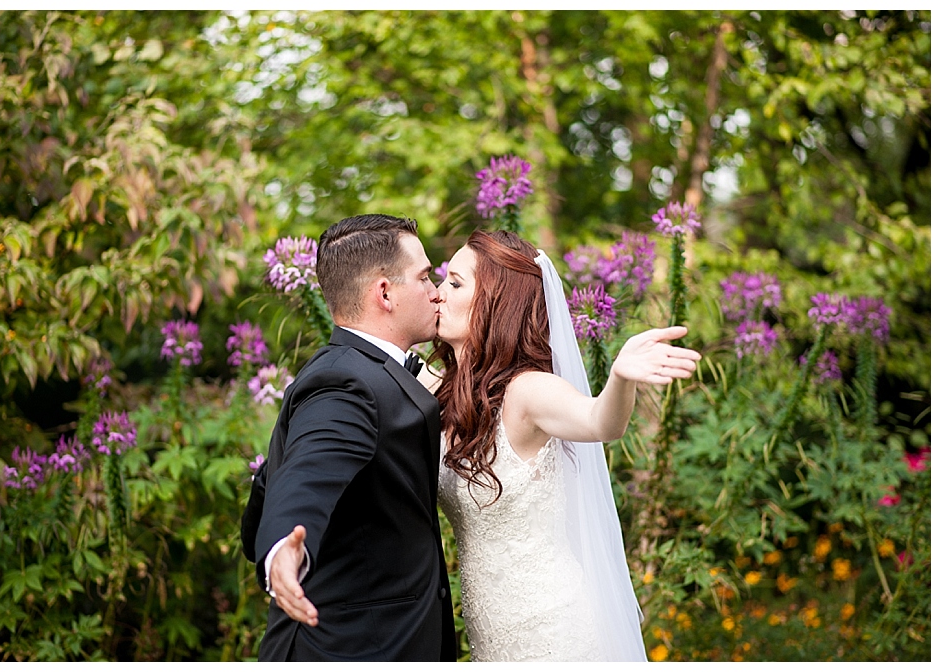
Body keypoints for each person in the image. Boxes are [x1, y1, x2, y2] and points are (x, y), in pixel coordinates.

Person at [427, 229, 701, 662]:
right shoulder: (436, 387)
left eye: (455, 283)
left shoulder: (527, 391)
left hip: (555, 631)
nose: (437, 294)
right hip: (490, 634)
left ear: (496, 302)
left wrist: (620, 378)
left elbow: (599, 421)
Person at [247, 214, 456, 661]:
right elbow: (311, 468)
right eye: (424, 277)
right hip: (349, 648)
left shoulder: (364, 369)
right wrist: (284, 548)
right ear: (385, 293)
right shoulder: (345, 382)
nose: (435, 291)